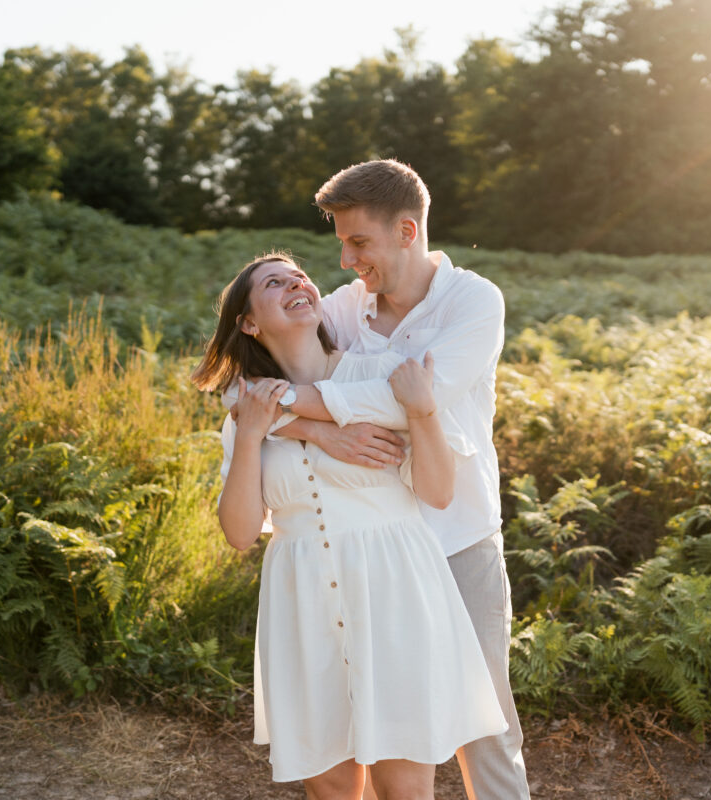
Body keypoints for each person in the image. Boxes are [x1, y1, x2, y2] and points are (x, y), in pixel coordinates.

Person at [192, 252, 507, 799]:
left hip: (396, 596)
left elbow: (437, 492)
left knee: (403, 787)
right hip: (302, 604)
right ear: (249, 323)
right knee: (332, 789)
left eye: (299, 276)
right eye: (274, 282)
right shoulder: (249, 410)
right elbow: (241, 533)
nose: (296, 283)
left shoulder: (379, 374)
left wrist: (422, 411)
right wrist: (254, 433)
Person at [271, 160, 531, 800]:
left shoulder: (473, 301)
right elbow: (244, 383)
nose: (345, 260)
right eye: (341, 242)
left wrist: (300, 403)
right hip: (375, 552)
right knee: (381, 722)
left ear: (407, 231)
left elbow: (412, 401)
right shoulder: (346, 308)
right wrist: (318, 430)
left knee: (486, 726)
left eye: (359, 242)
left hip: (457, 537)